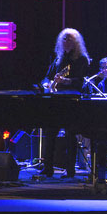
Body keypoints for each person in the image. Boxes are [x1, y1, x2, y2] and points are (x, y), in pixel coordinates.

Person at [39, 28, 91, 178]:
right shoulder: (58, 59)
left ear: (76, 42)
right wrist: (46, 84)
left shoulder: (81, 59)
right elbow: (46, 77)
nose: (66, 42)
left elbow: (82, 82)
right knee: (50, 134)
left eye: (69, 39)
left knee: (70, 136)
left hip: (71, 102)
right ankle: (48, 168)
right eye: (64, 39)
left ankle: (70, 170)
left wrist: (66, 81)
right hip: (55, 101)